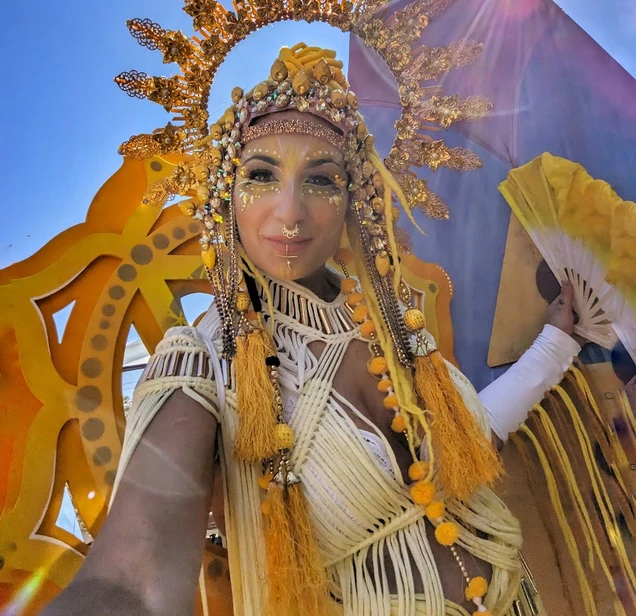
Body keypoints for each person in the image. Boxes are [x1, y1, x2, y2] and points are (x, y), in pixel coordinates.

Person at [44, 44, 582, 616]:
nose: (291, 212)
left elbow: (472, 445)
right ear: (224, 194)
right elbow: (132, 582)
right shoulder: (206, 360)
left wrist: (556, 345)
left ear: (354, 197)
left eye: (321, 180)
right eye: (260, 176)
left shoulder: (395, 324)